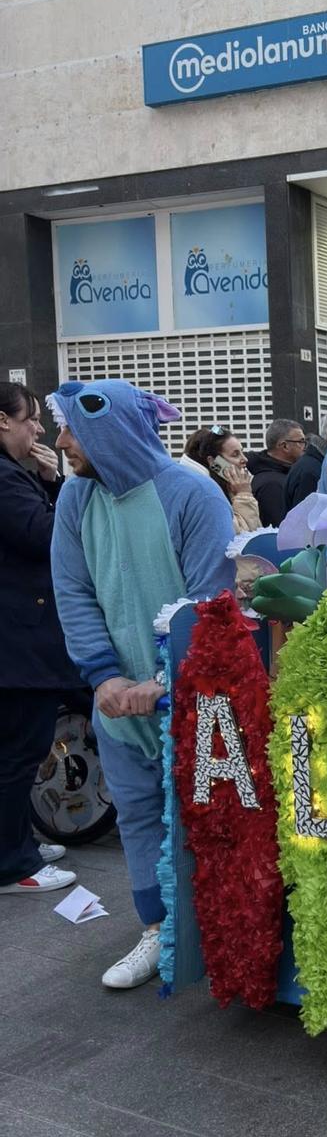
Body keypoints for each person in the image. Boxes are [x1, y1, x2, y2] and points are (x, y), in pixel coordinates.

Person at [49, 380, 235, 989]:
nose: (61, 441)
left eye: (71, 428)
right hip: (116, 702)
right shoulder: (77, 499)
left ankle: (228, 926)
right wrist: (102, 675)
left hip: (193, 697)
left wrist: (163, 681)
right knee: (135, 813)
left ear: (107, 429)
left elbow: (212, 601)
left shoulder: (193, 494)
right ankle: (158, 927)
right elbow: (73, 590)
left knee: (212, 813)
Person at [0, 383, 81, 897]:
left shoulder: (16, 475)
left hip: (20, 640)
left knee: (19, 751)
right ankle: (13, 864)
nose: (39, 430)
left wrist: (49, 479)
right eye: (29, 418)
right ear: (3, 421)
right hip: (18, 644)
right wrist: (63, 485)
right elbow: (46, 537)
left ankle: (16, 842)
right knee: (17, 753)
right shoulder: (5, 480)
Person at [183, 426, 260, 533]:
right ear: (213, 462)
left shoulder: (225, 485)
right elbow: (243, 537)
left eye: (242, 452)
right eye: (235, 454)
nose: (245, 459)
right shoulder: (206, 494)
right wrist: (244, 495)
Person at [248, 419, 305, 527]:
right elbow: (280, 529)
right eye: (301, 442)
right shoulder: (272, 485)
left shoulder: (285, 475)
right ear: (285, 446)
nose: (304, 447)